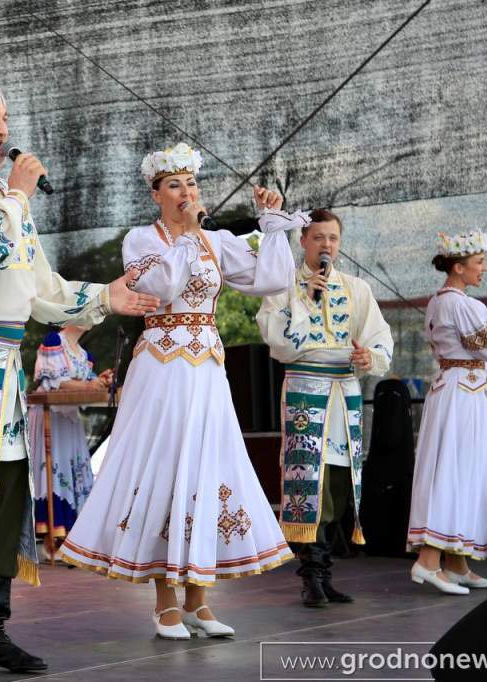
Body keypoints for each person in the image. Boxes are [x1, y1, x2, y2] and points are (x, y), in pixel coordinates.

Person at [0, 81, 159, 681]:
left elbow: (39, 288)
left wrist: (106, 297)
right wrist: (15, 196)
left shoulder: (3, 198)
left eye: (6, 117)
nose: (4, 129)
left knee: (6, 498)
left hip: (1, 361)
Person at [59, 143, 304, 640]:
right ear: (156, 194)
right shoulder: (141, 240)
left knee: (206, 467)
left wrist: (272, 224)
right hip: (162, 367)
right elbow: (162, 288)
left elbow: (273, 277)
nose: (186, 192)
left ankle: (198, 600)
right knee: (166, 469)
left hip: (206, 368)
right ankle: (164, 602)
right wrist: (189, 236)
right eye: (174, 185)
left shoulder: (215, 240)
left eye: (191, 183)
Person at [255, 208, 393, 607]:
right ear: (303, 241)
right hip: (306, 389)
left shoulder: (356, 288)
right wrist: (303, 298)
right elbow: (276, 340)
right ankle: (311, 576)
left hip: (345, 391)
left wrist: (370, 357)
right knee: (308, 481)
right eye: (318, 238)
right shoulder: (282, 285)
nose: (326, 245)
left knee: (337, 483)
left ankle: (325, 572)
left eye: (332, 238)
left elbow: (379, 336)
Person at [406, 230, 487, 593]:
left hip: (457, 391)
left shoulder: (440, 301)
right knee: (455, 471)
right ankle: (429, 562)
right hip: (461, 396)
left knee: (460, 471)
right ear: (458, 267)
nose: (484, 269)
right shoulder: (461, 304)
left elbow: (476, 351)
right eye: (478, 263)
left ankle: (456, 563)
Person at [28, 325, 112, 554]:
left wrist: (100, 381)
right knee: (54, 471)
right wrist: (88, 384)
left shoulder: (84, 354)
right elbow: (54, 380)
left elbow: (87, 382)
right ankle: (52, 539)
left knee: (72, 471)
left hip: (69, 418)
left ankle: (70, 540)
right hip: (50, 415)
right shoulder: (54, 341)